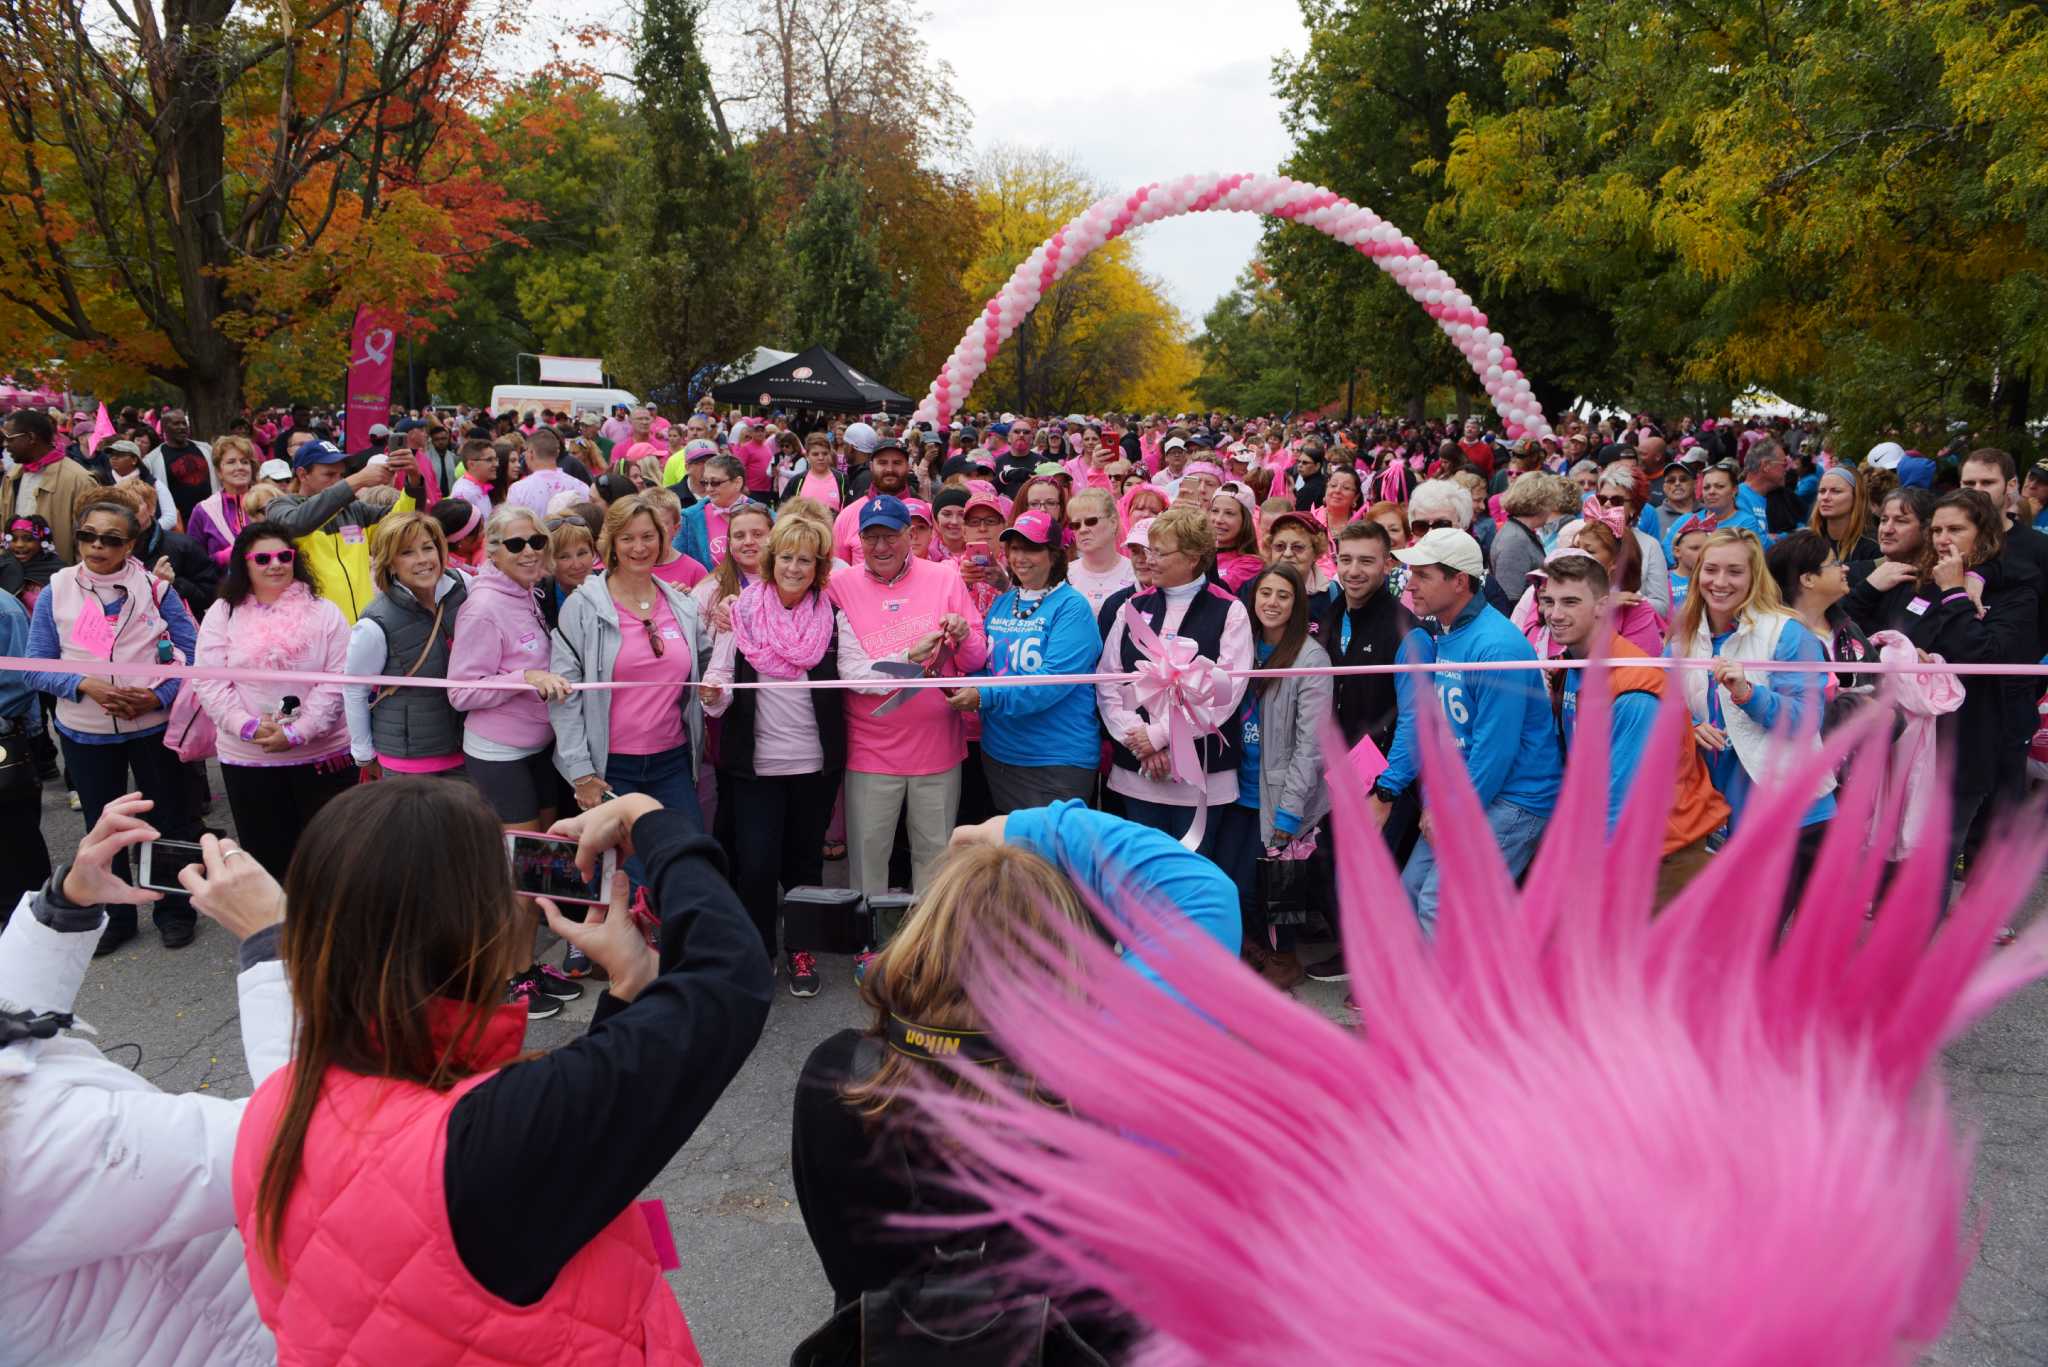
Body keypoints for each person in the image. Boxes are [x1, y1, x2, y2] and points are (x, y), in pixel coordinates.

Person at [223, 780, 771, 1362]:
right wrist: (648, 818)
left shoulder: (279, 1102)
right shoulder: (485, 1141)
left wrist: (631, 988)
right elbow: (727, 979)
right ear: (474, 932)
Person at [791, 802, 1235, 1353]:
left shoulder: (836, 1076)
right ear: (1067, 958)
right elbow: (1200, 892)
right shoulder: (1115, 1077)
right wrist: (1019, 829)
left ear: (924, 937)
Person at [1, 795, 289, 1367]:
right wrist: (274, 943)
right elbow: (301, 1130)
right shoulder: (32, 1144)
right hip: (244, 1339)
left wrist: (66, 907)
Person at [20, 492, 204, 953]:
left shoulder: (159, 591)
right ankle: (113, 918)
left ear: (131, 545)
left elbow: (196, 656)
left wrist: (156, 695)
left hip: (153, 728)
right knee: (104, 829)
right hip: (85, 732)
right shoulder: (55, 591)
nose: (96, 547)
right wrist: (87, 685)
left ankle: (173, 910)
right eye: (87, 536)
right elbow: (34, 664)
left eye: (110, 539)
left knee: (167, 820)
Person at [1374, 527, 1561, 933]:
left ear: (1459, 582)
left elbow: (1495, 752)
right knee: (1411, 889)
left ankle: (1453, 996)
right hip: (1475, 792)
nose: (1411, 584)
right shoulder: (1448, 630)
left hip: (1515, 797)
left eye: (1423, 575)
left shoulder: (1496, 646)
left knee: (1440, 902)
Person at [1838, 491, 2037, 862]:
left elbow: (1981, 654)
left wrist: (1955, 591)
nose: (1944, 538)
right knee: (1885, 859)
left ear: (1985, 534)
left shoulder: (2015, 593)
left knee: (1926, 867)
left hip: (1961, 750)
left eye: (1956, 529)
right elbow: (1853, 636)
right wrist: (1893, 639)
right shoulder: (1914, 580)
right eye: (1939, 529)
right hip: (1897, 742)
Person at [699, 514, 843, 996]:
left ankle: (801, 949)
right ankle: (759, 949)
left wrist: (905, 668)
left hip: (813, 766)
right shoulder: (739, 613)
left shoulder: (832, 615)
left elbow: (860, 668)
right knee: (756, 864)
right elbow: (720, 682)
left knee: (804, 864)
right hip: (754, 767)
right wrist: (711, 695)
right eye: (786, 557)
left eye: (806, 559)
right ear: (771, 559)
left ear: (818, 566)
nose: (795, 568)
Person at [1538, 552, 1727, 906]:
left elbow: (1623, 800)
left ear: (1602, 606)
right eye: (1548, 601)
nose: (1555, 614)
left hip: (1660, 856)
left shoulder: (1633, 687)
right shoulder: (1572, 665)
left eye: (1570, 602)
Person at [831, 494, 989, 895]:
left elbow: (973, 661)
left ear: (911, 535)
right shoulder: (840, 584)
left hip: (937, 745)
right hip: (870, 748)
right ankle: (868, 949)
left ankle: (927, 950)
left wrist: (965, 633)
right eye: (871, 538)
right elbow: (847, 670)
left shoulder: (945, 577)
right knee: (869, 857)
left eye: (890, 536)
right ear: (858, 540)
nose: (880, 547)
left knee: (934, 858)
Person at [1667, 529, 1835, 882]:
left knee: (1769, 935)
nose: (1720, 582)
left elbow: (1808, 721)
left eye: (1735, 571)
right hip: (1717, 814)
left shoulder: (1788, 633)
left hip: (1792, 814)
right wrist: (1690, 725)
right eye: (1711, 569)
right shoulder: (1684, 636)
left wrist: (1749, 694)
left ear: (1754, 576)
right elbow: (1663, 703)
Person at [191, 522, 355, 877]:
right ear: (244, 564)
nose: (275, 564)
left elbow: (338, 680)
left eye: (284, 556)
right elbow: (209, 681)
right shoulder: (223, 613)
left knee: (330, 861)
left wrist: (300, 732)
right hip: (249, 759)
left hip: (321, 756)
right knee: (268, 860)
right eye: (262, 558)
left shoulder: (325, 611)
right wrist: (247, 727)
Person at [1097, 507, 1253, 855]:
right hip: (1139, 770)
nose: (1148, 560)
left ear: (1194, 557)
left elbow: (1224, 693)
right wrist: (1138, 739)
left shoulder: (1230, 610)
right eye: (1148, 550)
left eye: (1160, 552)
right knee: (1142, 874)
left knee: (1191, 877)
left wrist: (1162, 735)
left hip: (1202, 773)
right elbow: (1109, 681)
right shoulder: (1131, 606)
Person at [552, 494, 709, 835]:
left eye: (648, 537)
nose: (639, 547)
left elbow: (709, 669)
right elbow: (564, 697)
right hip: (610, 768)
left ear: (662, 539)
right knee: (626, 876)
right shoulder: (581, 607)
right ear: (611, 544)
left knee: (684, 857)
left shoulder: (682, 605)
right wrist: (581, 773)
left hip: (673, 761)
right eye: (628, 538)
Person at [1211, 563, 1331, 990]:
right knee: (1231, 882)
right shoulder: (1241, 647)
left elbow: (1311, 746)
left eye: (1283, 595)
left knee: (1277, 887)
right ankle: (1254, 950)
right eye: (1266, 594)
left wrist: (1289, 811)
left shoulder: (1311, 657)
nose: (1273, 603)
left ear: (1298, 603)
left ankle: (1283, 960)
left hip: (1279, 795)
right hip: (1235, 787)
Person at [947, 510, 1103, 813]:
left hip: (1056, 759)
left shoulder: (1073, 607)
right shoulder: (1004, 602)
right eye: (1015, 548)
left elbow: (1050, 682)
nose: (1020, 557)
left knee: (1052, 858)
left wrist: (982, 695)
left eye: (1031, 548)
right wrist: (960, 681)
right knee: (1016, 854)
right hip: (1001, 755)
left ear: (1054, 555)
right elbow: (986, 664)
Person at [448, 506, 573, 834]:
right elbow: (461, 692)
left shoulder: (529, 590)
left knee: (550, 844)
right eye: (516, 545)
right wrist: (526, 678)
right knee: (524, 856)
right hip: (499, 753)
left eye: (536, 541)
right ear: (494, 552)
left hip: (541, 744)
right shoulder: (483, 608)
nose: (530, 551)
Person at [344, 509, 469, 784]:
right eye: (407, 553)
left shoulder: (464, 587)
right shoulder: (374, 623)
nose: (423, 560)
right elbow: (355, 689)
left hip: (467, 748)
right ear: (389, 563)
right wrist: (363, 752)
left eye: (428, 548)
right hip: (408, 759)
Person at [264, 439, 419, 621]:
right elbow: (295, 525)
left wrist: (413, 480)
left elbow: (401, 521)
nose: (338, 481)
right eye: (329, 474)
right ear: (302, 474)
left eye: (341, 475)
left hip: (364, 625)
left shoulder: (354, 509)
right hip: (317, 630)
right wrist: (357, 480)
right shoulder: (280, 506)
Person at [3, 408, 102, 565]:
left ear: (30, 437)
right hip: (13, 576)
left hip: (58, 580)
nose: (5, 445)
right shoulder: (13, 475)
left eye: (9, 438)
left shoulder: (79, 480)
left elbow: (89, 541)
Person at [831, 435, 914, 563]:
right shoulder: (848, 515)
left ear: (908, 467)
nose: (889, 469)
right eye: (882, 462)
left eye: (897, 463)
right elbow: (838, 570)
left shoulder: (924, 513)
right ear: (871, 466)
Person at [187, 434, 261, 567]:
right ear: (219, 471)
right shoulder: (204, 510)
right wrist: (221, 558)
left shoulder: (268, 500)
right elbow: (194, 562)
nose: (239, 467)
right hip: (222, 585)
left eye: (245, 462)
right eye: (231, 462)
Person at [1062, 487, 1134, 611]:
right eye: (1076, 525)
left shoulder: (1135, 573)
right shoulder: (1063, 576)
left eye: (1091, 521)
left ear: (1113, 523)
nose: (1083, 529)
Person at [674, 455, 752, 568]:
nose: (709, 489)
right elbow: (678, 562)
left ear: (737, 482)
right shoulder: (690, 517)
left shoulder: (765, 516)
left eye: (715, 483)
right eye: (705, 482)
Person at [1808, 465, 1877, 563]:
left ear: (1856, 497)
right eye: (1822, 491)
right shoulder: (1808, 541)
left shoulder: (1872, 546)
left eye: (1836, 491)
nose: (1825, 497)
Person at [1209, 486, 1263, 590]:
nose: (1218, 520)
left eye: (1229, 513)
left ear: (1245, 521)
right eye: (1215, 511)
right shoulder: (1196, 552)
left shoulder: (1251, 564)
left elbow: (1217, 591)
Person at [783, 432, 846, 511]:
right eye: (815, 454)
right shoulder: (797, 481)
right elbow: (784, 512)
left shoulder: (842, 479)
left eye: (825, 453)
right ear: (807, 456)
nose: (821, 458)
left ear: (830, 453)